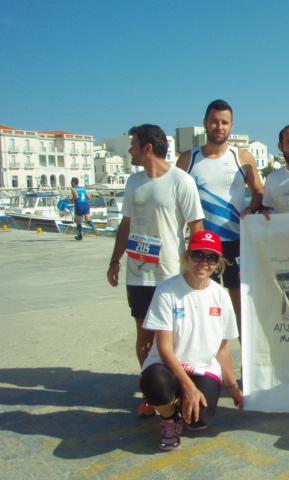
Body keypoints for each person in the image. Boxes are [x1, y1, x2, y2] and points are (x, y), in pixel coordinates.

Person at [107, 124, 204, 418]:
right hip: (138, 273)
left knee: (175, 337)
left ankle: (179, 388)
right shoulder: (133, 182)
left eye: (134, 145)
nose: (130, 151)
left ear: (148, 148)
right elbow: (126, 224)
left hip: (171, 272)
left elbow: (196, 225)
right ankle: (151, 393)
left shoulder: (181, 180)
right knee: (144, 334)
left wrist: (196, 267)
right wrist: (115, 260)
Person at [139, 230, 243, 451]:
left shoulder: (221, 295)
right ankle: (169, 418)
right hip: (167, 366)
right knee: (154, 383)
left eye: (212, 257)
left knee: (199, 422)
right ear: (186, 257)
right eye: (198, 255)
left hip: (203, 368)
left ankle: (179, 401)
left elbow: (223, 347)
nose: (204, 262)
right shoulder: (166, 291)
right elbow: (165, 349)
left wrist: (233, 388)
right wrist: (188, 387)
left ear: (218, 263)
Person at [177, 99, 264, 333]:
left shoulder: (242, 157)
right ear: (205, 123)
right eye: (214, 122)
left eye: (224, 122)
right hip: (202, 245)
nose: (219, 127)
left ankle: (246, 356)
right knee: (202, 306)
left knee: (241, 309)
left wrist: (251, 209)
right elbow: (176, 200)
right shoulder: (188, 159)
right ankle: (205, 354)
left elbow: (259, 191)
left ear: (231, 125)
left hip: (237, 243)